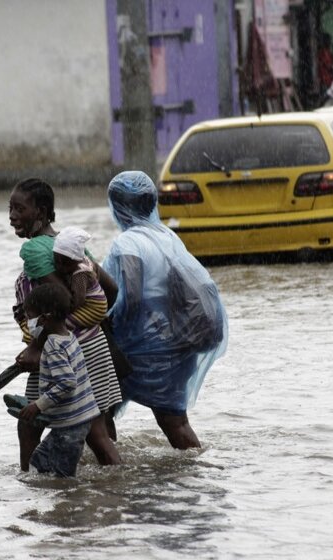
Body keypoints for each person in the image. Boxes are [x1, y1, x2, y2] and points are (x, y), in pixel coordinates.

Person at [102, 171, 228, 449]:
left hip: (144, 349)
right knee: (175, 422)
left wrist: (111, 328)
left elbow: (132, 297)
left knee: (98, 414)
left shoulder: (128, 242)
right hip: (177, 345)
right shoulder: (167, 236)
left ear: (117, 207)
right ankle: (196, 474)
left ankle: (107, 476)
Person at [7, 178, 122, 469]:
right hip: (92, 345)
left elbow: (59, 302)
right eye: (10, 208)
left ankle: (29, 486)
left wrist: (36, 346)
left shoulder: (34, 251)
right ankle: (117, 489)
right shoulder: (69, 247)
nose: (12, 216)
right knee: (96, 430)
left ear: (41, 211)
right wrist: (90, 324)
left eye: (20, 208)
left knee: (30, 423)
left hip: (60, 349)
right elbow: (111, 289)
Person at [14, 283, 100, 477]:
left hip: (70, 423)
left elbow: (67, 382)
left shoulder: (53, 346)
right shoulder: (68, 336)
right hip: (81, 418)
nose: (28, 322)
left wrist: (38, 405)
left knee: (60, 475)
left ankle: (70, 502)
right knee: (42, 463)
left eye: (29, 317)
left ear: (44, 318)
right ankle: (68, 498)